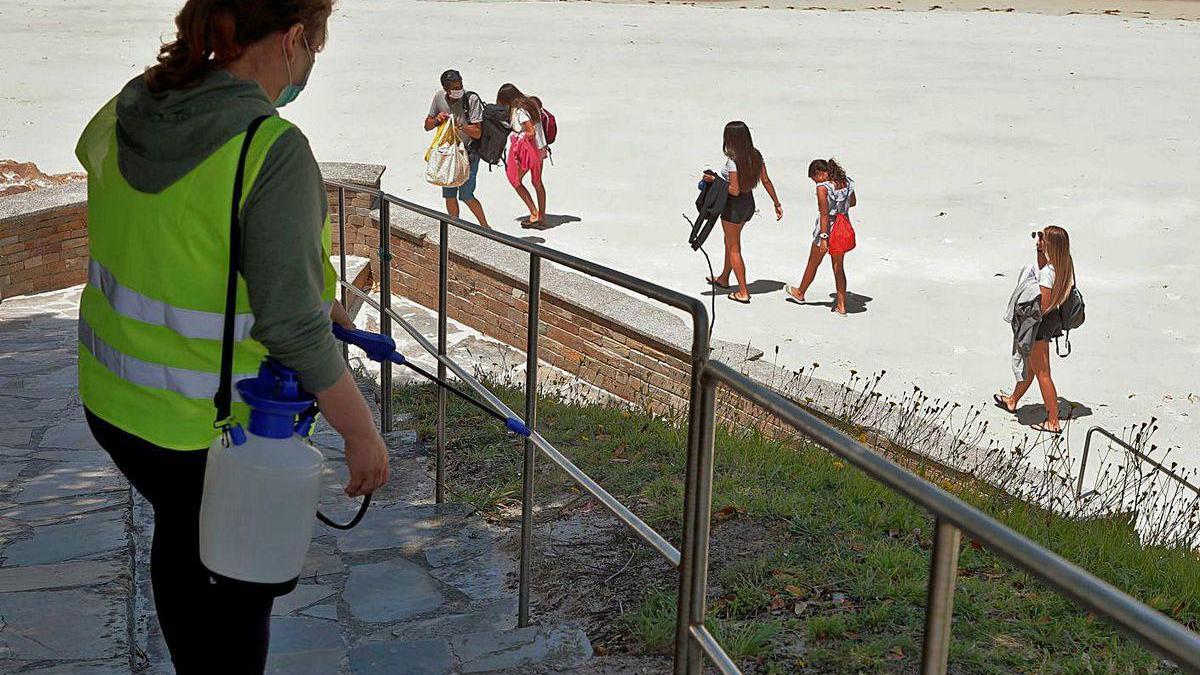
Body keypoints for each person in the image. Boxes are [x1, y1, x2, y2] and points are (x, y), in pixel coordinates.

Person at [74, 1, 388, 672]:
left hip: (116, 406)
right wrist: (361, 432)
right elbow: (294, 328)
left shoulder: (134, 105)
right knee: (240, 586)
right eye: (314, 51)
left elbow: (177, 234)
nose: (308, 68)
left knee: (182, 534)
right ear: (294, 39)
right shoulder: (269, 150)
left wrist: (302, 290)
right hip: (206, 429)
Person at [995, 226, 1077, 434]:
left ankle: (1053, 421)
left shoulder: (1049, 273)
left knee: (1042, 373)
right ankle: (1012, 400)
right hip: (1050, 322)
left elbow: (1044, 305)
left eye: (1044, 240)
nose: (1039, 241)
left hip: (1039, 325)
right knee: (1031, 367)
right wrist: (1041, 251)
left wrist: (1026, 318)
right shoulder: (1065, 264)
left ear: (1052, 245)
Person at [704, 121, 782, 304]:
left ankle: (743, 291)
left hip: (733, 206)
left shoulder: (733, 161)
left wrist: (714, 179)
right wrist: (776, 203)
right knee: (729, 241)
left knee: (734, 248)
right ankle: (724, 277)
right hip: (748, 204)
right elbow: (766, 181)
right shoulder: (756, 155)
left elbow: (734, 190)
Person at [785, 158, 856, 315]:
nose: (815, 182)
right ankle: (842, 306)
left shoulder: (822, 188)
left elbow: (824, 214)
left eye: (814, 178)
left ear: (819, 174)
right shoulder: (846, 182)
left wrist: (824, 238)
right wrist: (840, 207)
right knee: (838, 267)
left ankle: (800, 292)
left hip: (828, 228)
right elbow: (853, 203)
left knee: (813, 262)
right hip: (842, 226)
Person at [424, 69, 489, 227]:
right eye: (455, 87)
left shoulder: (471, 99)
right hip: (447, 154)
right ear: (446, 89)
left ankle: (486, 227)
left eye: (460, 85)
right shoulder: (439, 97)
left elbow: (478, 133)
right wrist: (437, 120)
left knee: (466, 195)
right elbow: (427, 125)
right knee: (449, 195)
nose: (459, 89)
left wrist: (462, 126)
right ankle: (455, 227)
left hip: (468, 154)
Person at [497, 83, 547, 227]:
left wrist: (517, 137)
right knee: (537, 182)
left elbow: (531, 132)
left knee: (515, 180)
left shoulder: (520, 111)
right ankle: (541, 216)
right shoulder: (531, 103)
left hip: (528, 152)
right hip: (540, 149)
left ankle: (533, 213)